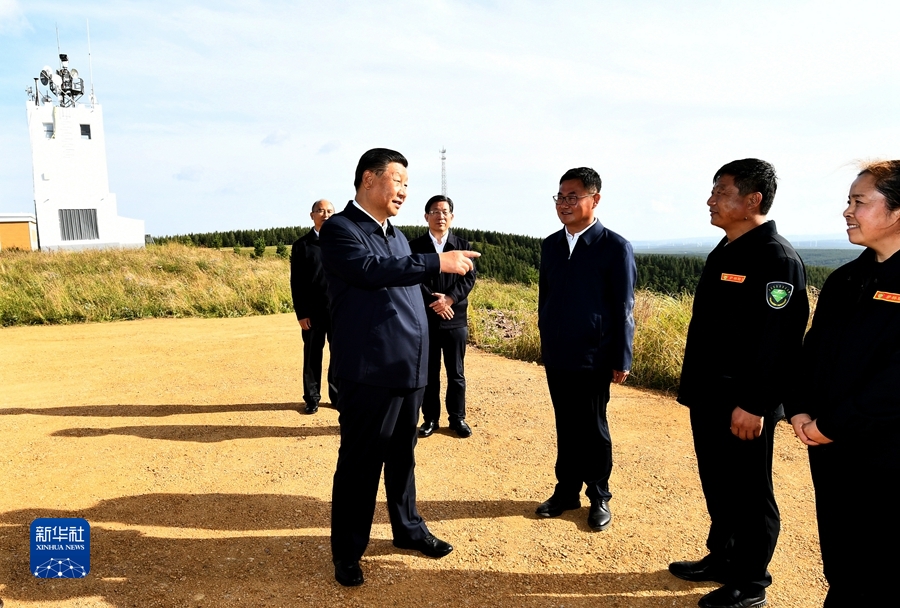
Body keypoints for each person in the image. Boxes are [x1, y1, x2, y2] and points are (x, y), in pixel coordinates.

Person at [319, 148, 480, 587]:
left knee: (402, 456)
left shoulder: (396, 235)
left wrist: (437, 298)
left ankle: (407, 528)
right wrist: (436, 261)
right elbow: (370, 271)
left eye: (408, 184)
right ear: (369, 180)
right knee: (360, 464)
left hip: (408, 366)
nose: (404, 191)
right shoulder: (341, 230)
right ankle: (348, 551)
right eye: (399, 181)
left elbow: (403, 280)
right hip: (369, 370)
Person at [670, 159, 809, 608]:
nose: (710, 200)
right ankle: (723, 557)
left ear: (753, 200)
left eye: (721, 192)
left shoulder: (776, 258)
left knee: (750, 492)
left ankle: (750, 583)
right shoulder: (727, 248)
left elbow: (779, 341)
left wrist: (756, 403)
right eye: (713, 191)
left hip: (743, 403)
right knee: (719, 483)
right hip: (710, 394)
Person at [785, 160, 900, 607]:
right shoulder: (845, 279)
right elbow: (812, 353)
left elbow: (894, 382)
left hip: (886, 456)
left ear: (897, 211)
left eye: (859, 201)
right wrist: (798, 407)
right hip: (832, 450)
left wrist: (832, 424)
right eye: (848, 201)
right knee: (843, 561)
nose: (847, 211)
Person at [535, 167, 636, 533]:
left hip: (594, 355)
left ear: (595, 199)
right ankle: (566, 491)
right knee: (565, 423)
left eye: (573, 197)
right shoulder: (551, 245)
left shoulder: (614, 247)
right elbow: (545, 296)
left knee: (593, 427)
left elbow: (624, 306)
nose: (564, 204)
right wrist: (545, 334)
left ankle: (599, 495)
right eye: (560, 197)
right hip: (558, 352)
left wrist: (621, 356)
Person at [409, 195, 476, 439]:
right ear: (426, 216)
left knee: (456, 373)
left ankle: (457, 419)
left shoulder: (461, 245)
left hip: (455, 319)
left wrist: (449, 299)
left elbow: (469, 278)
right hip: (426, 319)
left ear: (452, 217)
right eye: (435, 212)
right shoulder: (414, 247)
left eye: (445, 212)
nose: (440, 216)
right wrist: (435, 302)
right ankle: (430, 419)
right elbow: (412, 277)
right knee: (430, 372)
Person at [290, 199, 338, 414]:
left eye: (329, 211)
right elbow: (297, 282)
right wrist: (302, 313)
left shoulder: (341, 242)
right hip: (312, 312)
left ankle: (337, 396)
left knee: (339, 355)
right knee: (312, 355)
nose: (325, 215)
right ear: (312, 215)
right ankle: (311, 398)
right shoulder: (302, 245)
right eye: (320, 211)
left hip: (338, 310)